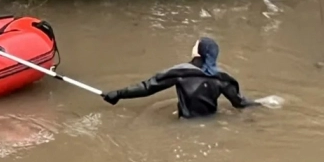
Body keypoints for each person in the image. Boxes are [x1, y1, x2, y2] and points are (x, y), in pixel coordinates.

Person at [100, 37, 257, 118]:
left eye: (195, 45)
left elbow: (147, 88)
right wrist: (263, 103)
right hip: (211, 122)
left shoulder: (181, 73)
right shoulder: (222, 78)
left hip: (186, 123)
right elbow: (240, 103)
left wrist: (118, 94)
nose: (193, 47)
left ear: (198, 52)